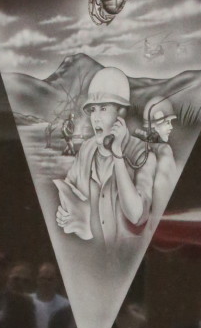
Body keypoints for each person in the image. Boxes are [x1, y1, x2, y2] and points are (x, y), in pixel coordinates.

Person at [54, 67, 155, 245]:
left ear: (121, 114)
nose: (95, 118)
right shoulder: (87, 149)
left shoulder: (143, 155)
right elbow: (69, 191)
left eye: (103, 109)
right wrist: (65, 214)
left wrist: (117, 154)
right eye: (93, 109)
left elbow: (136, 215)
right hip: (94, 259)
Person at [142, 95, 178, 221]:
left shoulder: (160, 151)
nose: (171, 127)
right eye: (167, 123)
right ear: (155, 124)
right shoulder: (163, 154)